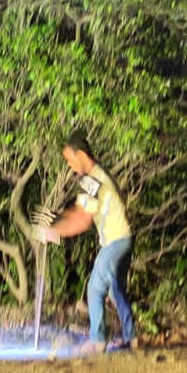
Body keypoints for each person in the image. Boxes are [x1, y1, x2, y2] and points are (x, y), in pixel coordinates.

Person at [36, 132, 136, 352]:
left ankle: (98, 342)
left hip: (115, 241)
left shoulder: (92, 180)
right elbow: (78, 212)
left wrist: (50, 232)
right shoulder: (98, 176)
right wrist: (56, 223)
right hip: (124, 239)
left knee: (94, 289)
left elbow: (81, 221)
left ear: (81, 154)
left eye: (70, 160)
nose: (70, 166)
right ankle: (132, 339)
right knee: (115, 291)